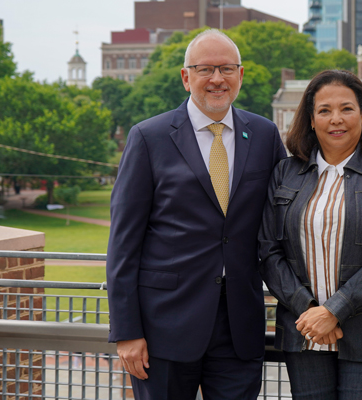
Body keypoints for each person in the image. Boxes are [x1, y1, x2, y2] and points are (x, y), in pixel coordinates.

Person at [106, 29, 286, 399]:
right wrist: (126, 331)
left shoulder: (265, 135)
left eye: (226, 69)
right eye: (205, 69)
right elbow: (123, 244)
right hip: (163, 330)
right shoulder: (148, 138)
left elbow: (286, 215)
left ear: (240, 74)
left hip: (239, 328)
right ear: (186, 77)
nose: (217, 79)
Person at [258, 70, 362, 400]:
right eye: (324, 110)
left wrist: (333, 311)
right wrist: (311, 312)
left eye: (346, 108)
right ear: (311, 120)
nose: (336, 120)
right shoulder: (285, 173)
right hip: (304, 335)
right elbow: (268, 251)